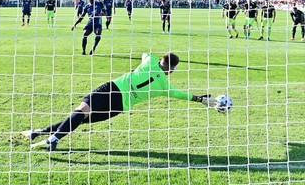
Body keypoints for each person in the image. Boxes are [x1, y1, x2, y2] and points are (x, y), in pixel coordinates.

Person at [21, 52, 220, 151]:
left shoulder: (150, 61)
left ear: (161, 60)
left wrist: (149, 61)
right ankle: (37, 134)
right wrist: (201, 99)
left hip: (112, 89)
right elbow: (183, 95)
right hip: (119, 106)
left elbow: (145, 54)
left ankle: (51, 140)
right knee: (80, 117)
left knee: (80, 112)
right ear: (172, 69)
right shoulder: (165, 86)